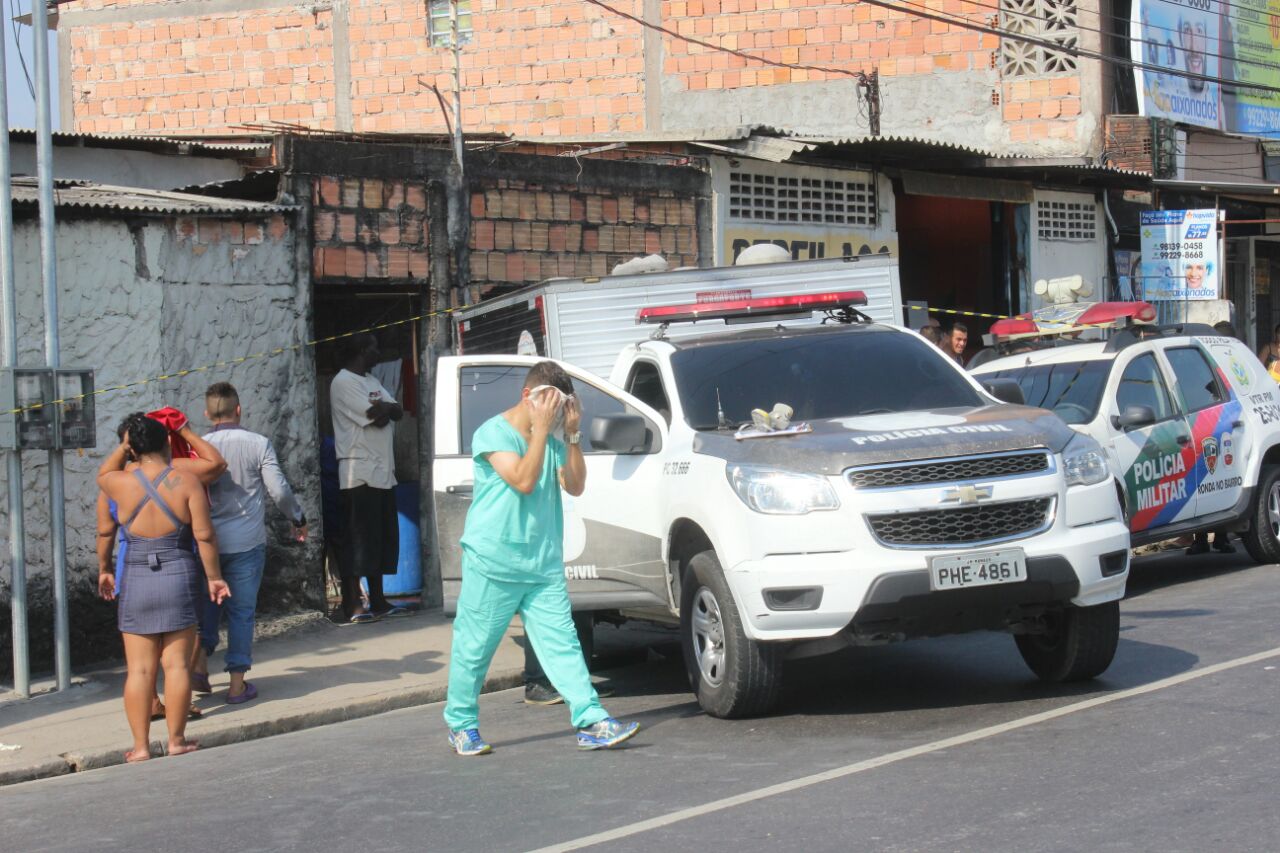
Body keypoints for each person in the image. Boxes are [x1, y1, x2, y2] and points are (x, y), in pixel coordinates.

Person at [443, 362, 640, 755]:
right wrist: (539, 430)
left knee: (563, 645)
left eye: (560, 405)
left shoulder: (552, 439)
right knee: (474, 648)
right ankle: (461, 724)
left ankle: (591, 720)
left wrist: (570, 434)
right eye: (548, 404)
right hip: (493, 562)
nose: (552, 412)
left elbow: (576, 485)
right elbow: (523, 479)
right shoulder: (493, 432)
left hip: (542, 563)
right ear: (528, 398)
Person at [98, 416, 230, 763]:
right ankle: (175, 740)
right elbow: (204, 537)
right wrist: (214, 577)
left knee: (140, 670)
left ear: (133, 447)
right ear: (166, 444)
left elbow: (102, 479)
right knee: (177, 667)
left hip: (137, 574)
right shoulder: (185, 482)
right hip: (178, 572)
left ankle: (140, 747)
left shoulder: (119, 483)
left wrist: (105, 569)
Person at [190, 382, 307, 704]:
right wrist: (297, 518)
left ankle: (199, 665)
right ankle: (237, 685)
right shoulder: (258, 444)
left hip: (207, 544)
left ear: (206, 413)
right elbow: (279, 490)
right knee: (241, 612)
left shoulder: (198, 447)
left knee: (208, 605)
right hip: (246, 542)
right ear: (238, 410)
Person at [330, 334, 408, 623]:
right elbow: (375, 416)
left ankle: (379, 600)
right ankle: (353, 603)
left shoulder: (372, 382)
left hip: (383, 472)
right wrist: (385, 410)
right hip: (358, 473)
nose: (379, 352)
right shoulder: (343, 382)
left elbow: (394, 411)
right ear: (363, 351)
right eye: (374, 347)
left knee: (380, 538)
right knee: (357, 539)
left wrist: (386, 409)